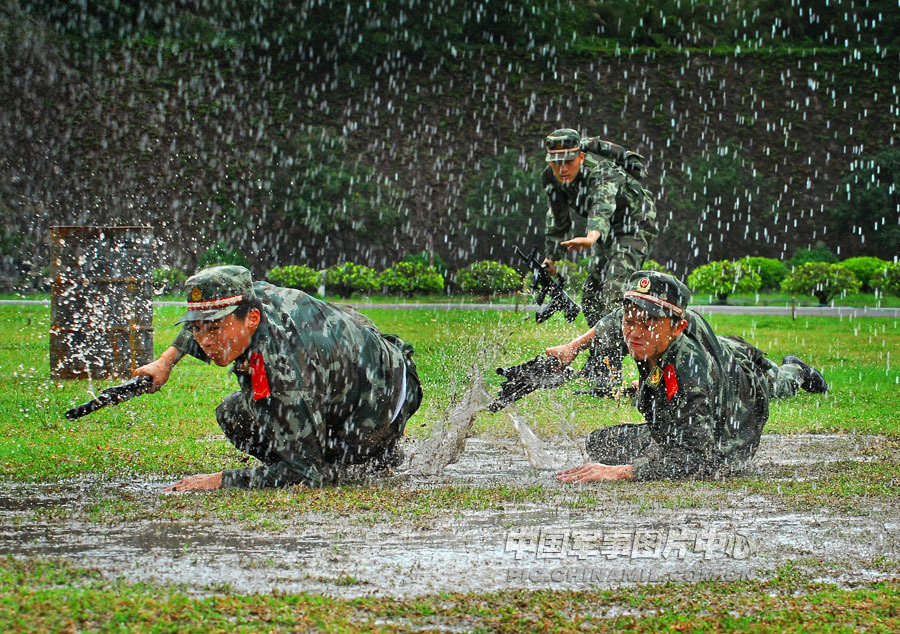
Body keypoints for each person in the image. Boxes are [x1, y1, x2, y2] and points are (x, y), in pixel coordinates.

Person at [136, 265, 422, 492]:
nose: (205, 341)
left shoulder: (285, 368)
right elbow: (203, 320)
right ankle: (304, 451)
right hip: (351, 362)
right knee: (232, 413)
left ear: (252, 319)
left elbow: (306, 475)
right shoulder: (246, 297)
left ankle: (377, 452)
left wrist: (220, 480)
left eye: (214, 329)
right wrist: (165, 362)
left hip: (389, 388)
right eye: (198, 329)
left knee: (318, 465)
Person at [544, 270, 828, 483]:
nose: (634, 332)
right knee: (600, 443)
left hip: (739, 381)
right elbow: (617, 317)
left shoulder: (690, 372)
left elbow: (696, 459)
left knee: (777, 384)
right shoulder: (648, 327)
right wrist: (572, 348)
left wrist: (623, 472)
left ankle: (797, 370)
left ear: (677, 327)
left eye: (648, 323)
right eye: (630, 322)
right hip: (711, 356)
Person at [541, 128, 658, 329]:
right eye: (556, 163)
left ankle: (613, 354)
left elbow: (601, 207)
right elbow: (558, 219)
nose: (562, 169)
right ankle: (602, 350)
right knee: (590, 296)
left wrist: (591, 237)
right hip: (606, 234)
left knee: (614, 292)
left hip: (635, 225)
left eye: (569, 161)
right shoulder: (551, 178)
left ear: (581, 157)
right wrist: (552, 257)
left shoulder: (602, 172)